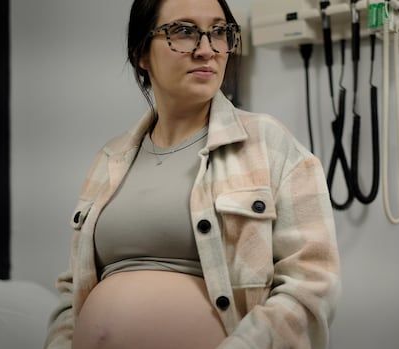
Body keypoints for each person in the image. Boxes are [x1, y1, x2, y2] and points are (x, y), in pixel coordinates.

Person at [44, 0, 342, 348]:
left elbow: (311, 282)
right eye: (183, 32)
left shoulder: (270, 144)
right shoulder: (108, 160)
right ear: (141, 53)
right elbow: (72, 292)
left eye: (219, 32)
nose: (206, 50)